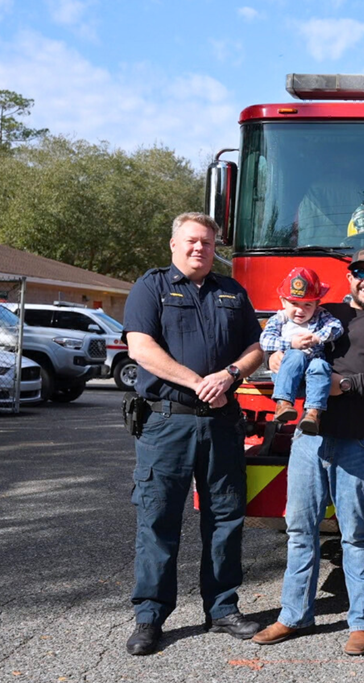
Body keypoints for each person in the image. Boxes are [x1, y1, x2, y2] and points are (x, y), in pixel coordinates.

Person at [253, 248, 364, 656]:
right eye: (360, 273)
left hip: (358, 440)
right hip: (308, 440)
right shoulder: (325, 312)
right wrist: (278, 354)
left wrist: (344, 386)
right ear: (349, 278)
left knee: (356, 534)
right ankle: (293, 616)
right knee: (299, 531)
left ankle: (362, 622)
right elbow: (284, 329)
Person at [121, 212, 265, 656]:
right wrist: (197, 381)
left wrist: (230, 373)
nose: (199, 248)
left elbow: (258, 346)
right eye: (191, 241)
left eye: (206, 241)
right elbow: (140, 347)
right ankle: (149, 617)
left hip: (222, 422)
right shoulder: (152, 287)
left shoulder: (232, 292)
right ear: (173, 244)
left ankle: (222, 608)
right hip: (167, 422)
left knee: (225, 518)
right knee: (158, 520)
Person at [260, 267, 343, 435]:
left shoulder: (321, 315)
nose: (300, 310)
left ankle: (312, 415)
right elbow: (265, 340)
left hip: (312, 374)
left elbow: (337, 327)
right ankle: (283, 404)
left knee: (321, 365)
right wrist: (291, 343)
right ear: (283, 302)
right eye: (294, 304)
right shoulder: (279, 319)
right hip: (288, 374)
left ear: (317, 304)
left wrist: (317, 338)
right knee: (296, 355)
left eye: (307, 305)